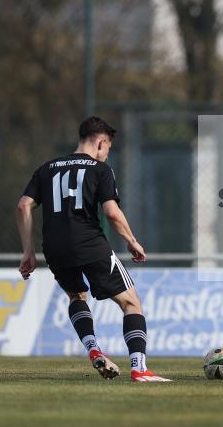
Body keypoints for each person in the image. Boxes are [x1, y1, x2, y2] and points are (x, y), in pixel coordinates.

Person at [16, 116, 170, 382]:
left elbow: (23, 206)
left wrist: (27, 250)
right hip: (89, 243)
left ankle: (94, 350)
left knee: (77, 297)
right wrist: (131, 240)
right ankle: (139, 368)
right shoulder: (100, 170)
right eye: (108, 148)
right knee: (131, 303)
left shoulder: (46, 169)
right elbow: (111, 212)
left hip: (54, 248)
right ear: (100, 142)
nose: (107, 154)